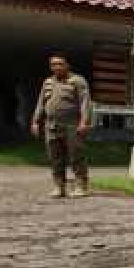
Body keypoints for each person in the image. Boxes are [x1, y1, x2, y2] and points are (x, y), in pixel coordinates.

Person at [30, 55, 92, 198]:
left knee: (76, 155)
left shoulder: (77, 80)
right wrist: (35, 121)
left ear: (67, 65)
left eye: (60, 64)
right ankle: (59, 187)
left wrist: (84, 121)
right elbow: (41, 102)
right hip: (51, 125)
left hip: (72, 124)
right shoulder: (48, 82)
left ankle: (81, 186)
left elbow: (85, 102)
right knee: (55, 157)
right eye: (53, 64)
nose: (57, 67)